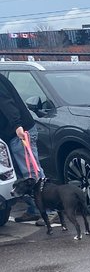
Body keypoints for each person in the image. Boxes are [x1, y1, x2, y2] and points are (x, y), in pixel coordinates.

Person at [0, 72, 45, 225]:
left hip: (19, 132)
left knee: (31, 172)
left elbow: (6, 103)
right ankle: (34, 209)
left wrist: (17, 125)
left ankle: (50, 210)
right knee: (19, 176)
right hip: (9, 135)